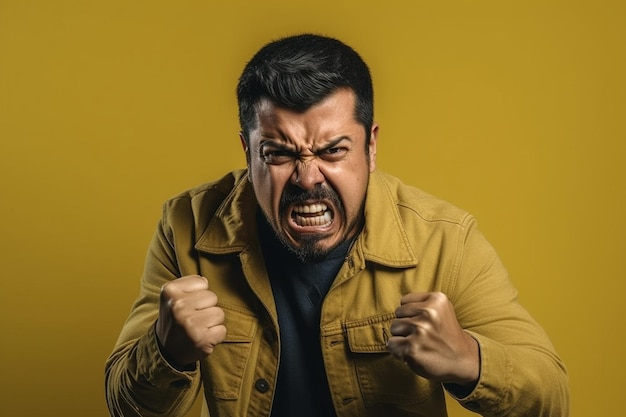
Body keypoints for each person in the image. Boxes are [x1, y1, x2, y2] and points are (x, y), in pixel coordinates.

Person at [105, 34, 569, 417]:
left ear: (370, 146)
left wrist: (469, 360)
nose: (307, 177)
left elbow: (551, 398)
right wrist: (167, 353)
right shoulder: (186, 227)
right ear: (247, 153)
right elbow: (126, 406)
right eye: (280, 154)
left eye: (333, 151)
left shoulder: (444, 240)